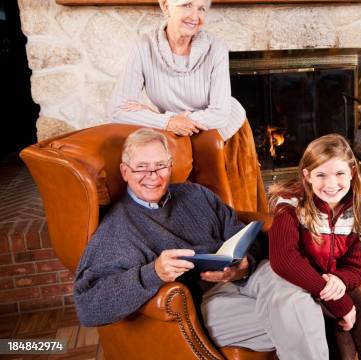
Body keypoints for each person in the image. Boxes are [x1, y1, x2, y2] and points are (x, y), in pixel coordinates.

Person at [73, 128, 328, 359]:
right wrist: (153, 273)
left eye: (160, 165)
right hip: (203, 301)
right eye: (142, 167)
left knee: (290, 288)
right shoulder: (117, 229)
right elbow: (88, 306)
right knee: (303, 310)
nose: (152, 175)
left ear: (171, 166)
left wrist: (245, 264)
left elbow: (239, 232)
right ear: (124, 171)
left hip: (243, 278)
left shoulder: (195, 194)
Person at [108, 0, 265, 212]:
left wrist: (173, 119)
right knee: (189, 206)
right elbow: (117, 111)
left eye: (202, 8)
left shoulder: (216, 49)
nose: (195, 16)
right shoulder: (143, 47)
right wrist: (168, 121)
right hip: (178, 135)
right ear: (166, 6)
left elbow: (219, 114)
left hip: (224, 133)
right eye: (187, 5)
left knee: (232, 203)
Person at [268, 134, 361, 360]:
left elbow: (355, 266)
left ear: (351, 172)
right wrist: (338, 301)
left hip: (336, 284)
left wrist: (340, 281)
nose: (331, 184)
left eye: (340, 173)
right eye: (321, 175)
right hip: (303, 287)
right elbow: (283, 260)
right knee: (343, 352)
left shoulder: (358, 207)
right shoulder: (290, 206)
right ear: (307, 175)